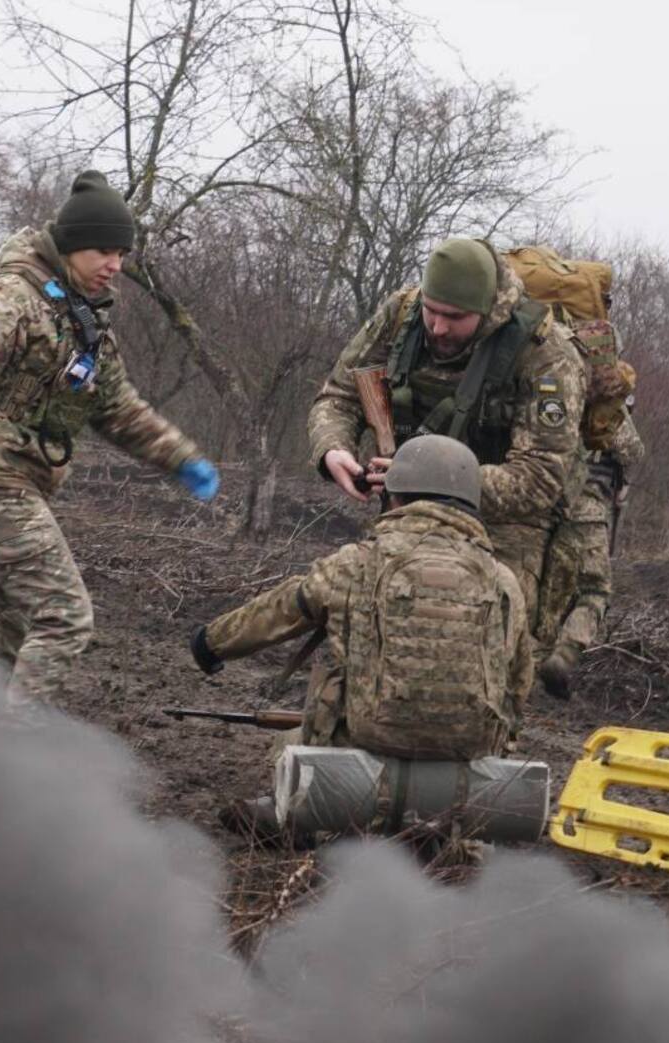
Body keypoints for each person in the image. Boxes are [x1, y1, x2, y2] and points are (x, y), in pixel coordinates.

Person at [0, 170, 219, 715]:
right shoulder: (11, 303)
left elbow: (117, 405)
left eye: (122, 254)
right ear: (72, 245)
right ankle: (13, 757)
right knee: (64, 617)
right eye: (104, 250)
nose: (115, 265)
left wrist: (181, 458)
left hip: (9, 483)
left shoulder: (84, 321)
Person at [188, 435, 529, 834]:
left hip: (359, 755)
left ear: (396, 497)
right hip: (462, 767)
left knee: (290, 742)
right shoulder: (504, 581)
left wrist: (211, 642)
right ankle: (441, 827)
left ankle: (308, 822)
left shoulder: (358, 563)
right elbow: (518, 684)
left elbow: (279, 610)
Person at [307, 237, 589, 628]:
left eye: (454, 317)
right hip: (406, 511)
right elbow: (338, 396)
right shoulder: (401, 315)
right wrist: (333, 450)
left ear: (487, 311)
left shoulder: (545, 354)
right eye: (431, 310)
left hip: (504, 525)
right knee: (375, 629)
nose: (437, 327)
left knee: (488, 649)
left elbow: (540, 481)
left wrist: (427, 479)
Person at [534, 406, 645, 697]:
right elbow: (632, 450)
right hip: (587, 508)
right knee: (595, 590)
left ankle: (527, 665)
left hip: (537, 502)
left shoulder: (544, 387)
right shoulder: (602, 400)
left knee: (544, 591)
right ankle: (564, 654)